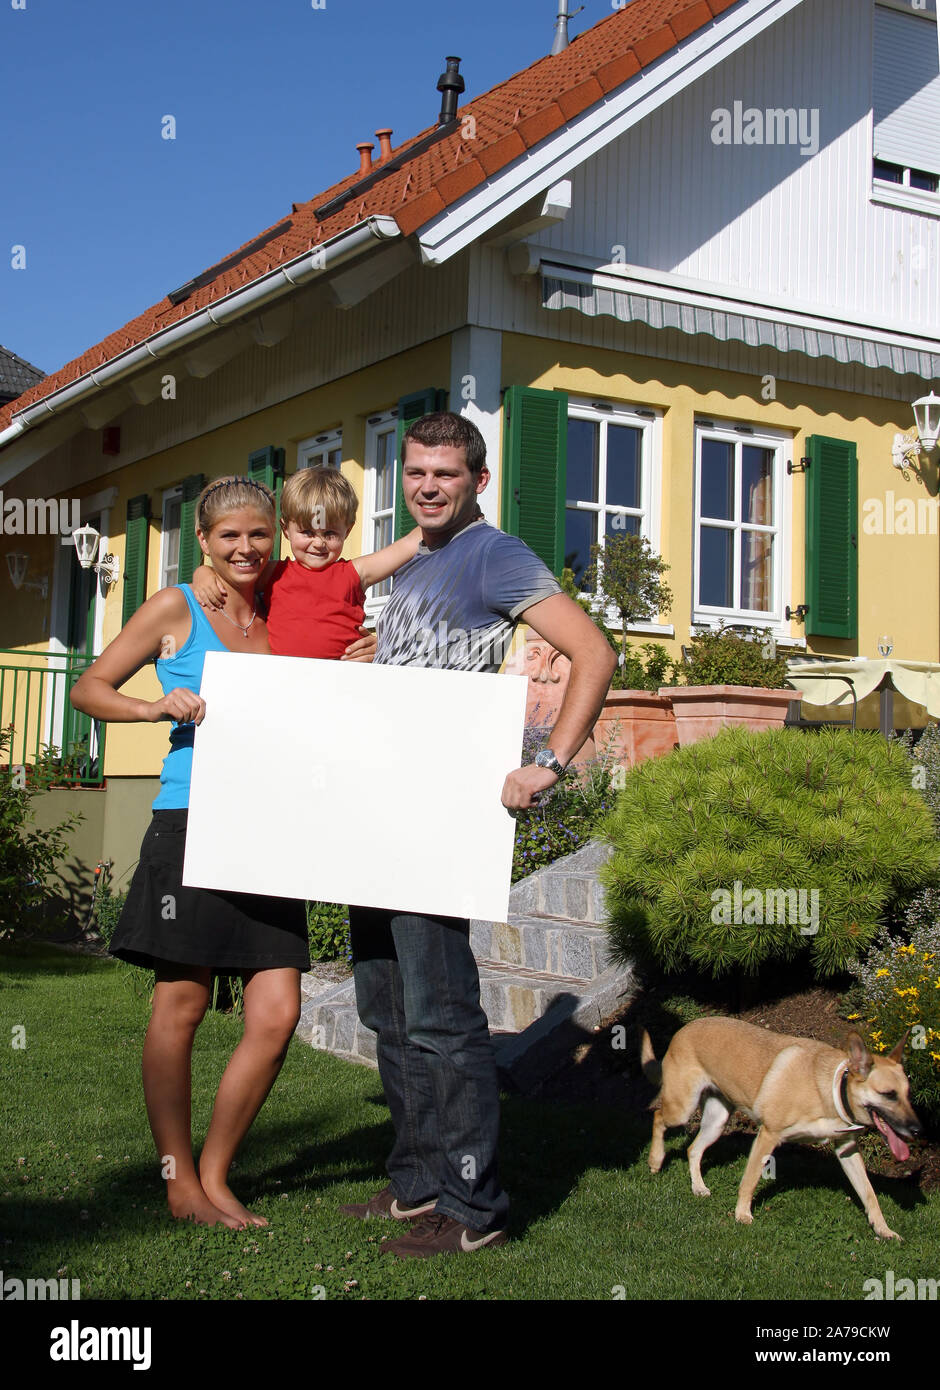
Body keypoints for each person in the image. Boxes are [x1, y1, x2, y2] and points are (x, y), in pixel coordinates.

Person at [340, 412, 617, 1258]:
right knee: (385, 1007)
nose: (427, 485)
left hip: (440, 818)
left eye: (445, 474)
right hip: (383, 811)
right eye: (416, 473)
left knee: (441, 1016)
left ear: (477, 481)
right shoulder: (418, 558)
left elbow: (594, 653)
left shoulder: (493, 553)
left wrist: (553, 762)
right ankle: (418, 1183)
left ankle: (473, 1208)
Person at [70, 475, 374, 1230]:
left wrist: (351, 657)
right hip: (193, 815)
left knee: (276, 1011)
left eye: (259, 534)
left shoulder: (277, 602)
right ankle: (178, 1180)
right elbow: (90, 687)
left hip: (277, 823)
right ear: (202, 540)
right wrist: (153, 704)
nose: (246, 548)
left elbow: (321, 647)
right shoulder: (177, 606)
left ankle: (216, 1172)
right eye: (229, 536)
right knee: (184, 1003)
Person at [192, 465, 421, 652]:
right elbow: (231, 575)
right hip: (287, 687)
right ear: (285, 529)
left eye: (330, 533)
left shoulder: (354, 573)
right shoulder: (275, 573)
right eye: (308, 532)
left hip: (343, 682)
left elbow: (409, 544)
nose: (319, 543)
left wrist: (454, 512)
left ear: (347, 531)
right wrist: (203, 572)